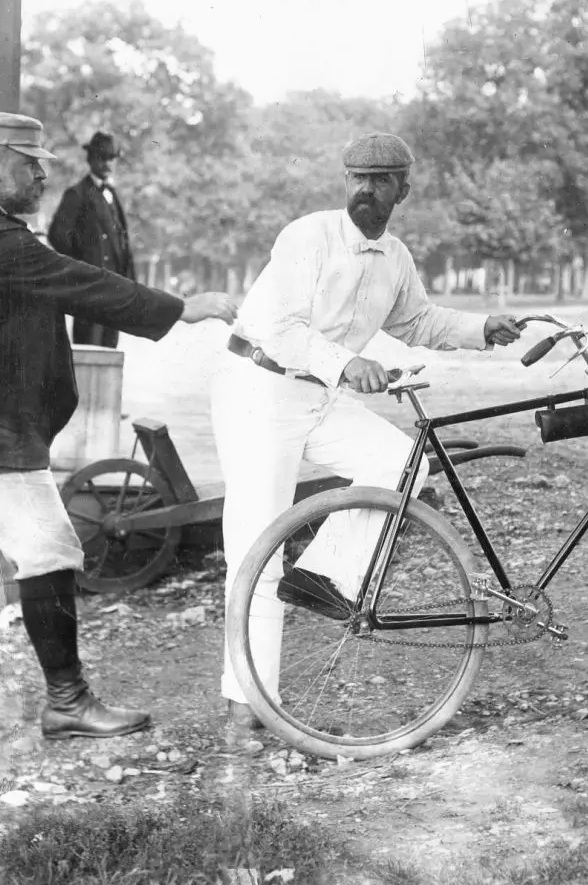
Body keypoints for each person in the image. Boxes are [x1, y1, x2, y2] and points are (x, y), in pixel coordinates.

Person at [0, 109, 237, 744]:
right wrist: (182, 309)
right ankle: (66, 701)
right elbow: (82, 283)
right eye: (29, 167)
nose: (40, 178)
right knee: (51, 550)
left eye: (42, 168)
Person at [210, 133, 522, 750]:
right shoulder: (309, 236)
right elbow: (279, 327)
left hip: (315, 394)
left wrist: (483, 327)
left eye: (380, 181)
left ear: (403, 189)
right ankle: (242, 706)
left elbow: (418, 321)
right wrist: (346, 365)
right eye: (356, 177)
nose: (365, 190)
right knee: (256, 543)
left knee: (400, 459)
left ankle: (323, 576)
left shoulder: (395, 256)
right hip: (257, 388)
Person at [47, 131, 134, 346]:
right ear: (91, 159)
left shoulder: (112, 195)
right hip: (91, 288)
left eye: (111, 158)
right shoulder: (77, 194)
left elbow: (122, 244)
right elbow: (57, 235)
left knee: (110, 350)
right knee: (89, 349)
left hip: (114, 290)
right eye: (101, 158)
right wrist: (83, 265)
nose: (107, 163)